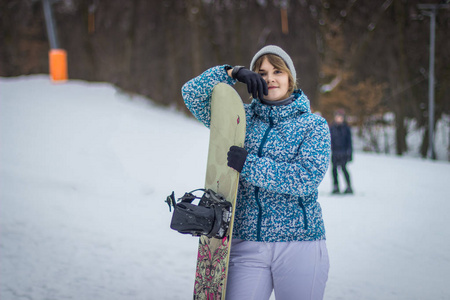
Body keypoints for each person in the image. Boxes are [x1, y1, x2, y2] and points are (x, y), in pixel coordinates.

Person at [182, 45, 331, 300]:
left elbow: (305, 178)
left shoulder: (313, 125)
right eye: (261, 73)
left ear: (290, 78)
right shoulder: (239, 117)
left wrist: (248, 165)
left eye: (277, 71)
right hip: (245, 243)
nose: (270, 78)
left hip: (300, 245)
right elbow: (192, 94)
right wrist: (231, 72)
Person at [329, 110, 353, 194]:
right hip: (335, 153)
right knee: (334, 170)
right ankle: (336, 186)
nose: (338, 119)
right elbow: (329, 141)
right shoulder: (332, 128)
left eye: (340, 117)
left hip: (343, 152)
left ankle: (349, 186)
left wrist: (349, 153)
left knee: (344, 169)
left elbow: (349, 142)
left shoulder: (346, 128)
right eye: (337, 117)